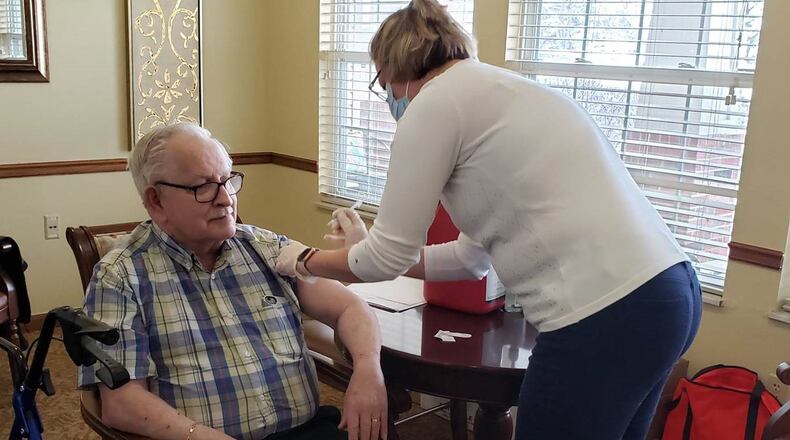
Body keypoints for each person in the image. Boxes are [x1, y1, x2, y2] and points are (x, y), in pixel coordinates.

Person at [275, 1, 702, 439]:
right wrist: (363, 250)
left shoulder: (432, 107)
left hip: (603, 313)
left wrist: (302, 260)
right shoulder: (508, 93)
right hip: (670, 296)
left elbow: (384, 259)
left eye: (382, 83)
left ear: (394, 66)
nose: (388, 97)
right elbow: (469, 260)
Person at [78, 123, 387, 440]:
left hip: (307, 431)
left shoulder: (265, 248)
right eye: (203, 187)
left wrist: (367, 369)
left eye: (227, 180)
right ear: (156, 201)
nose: (226, 199)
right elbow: (121, 403)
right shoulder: (119, 276)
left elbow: (350, 307)